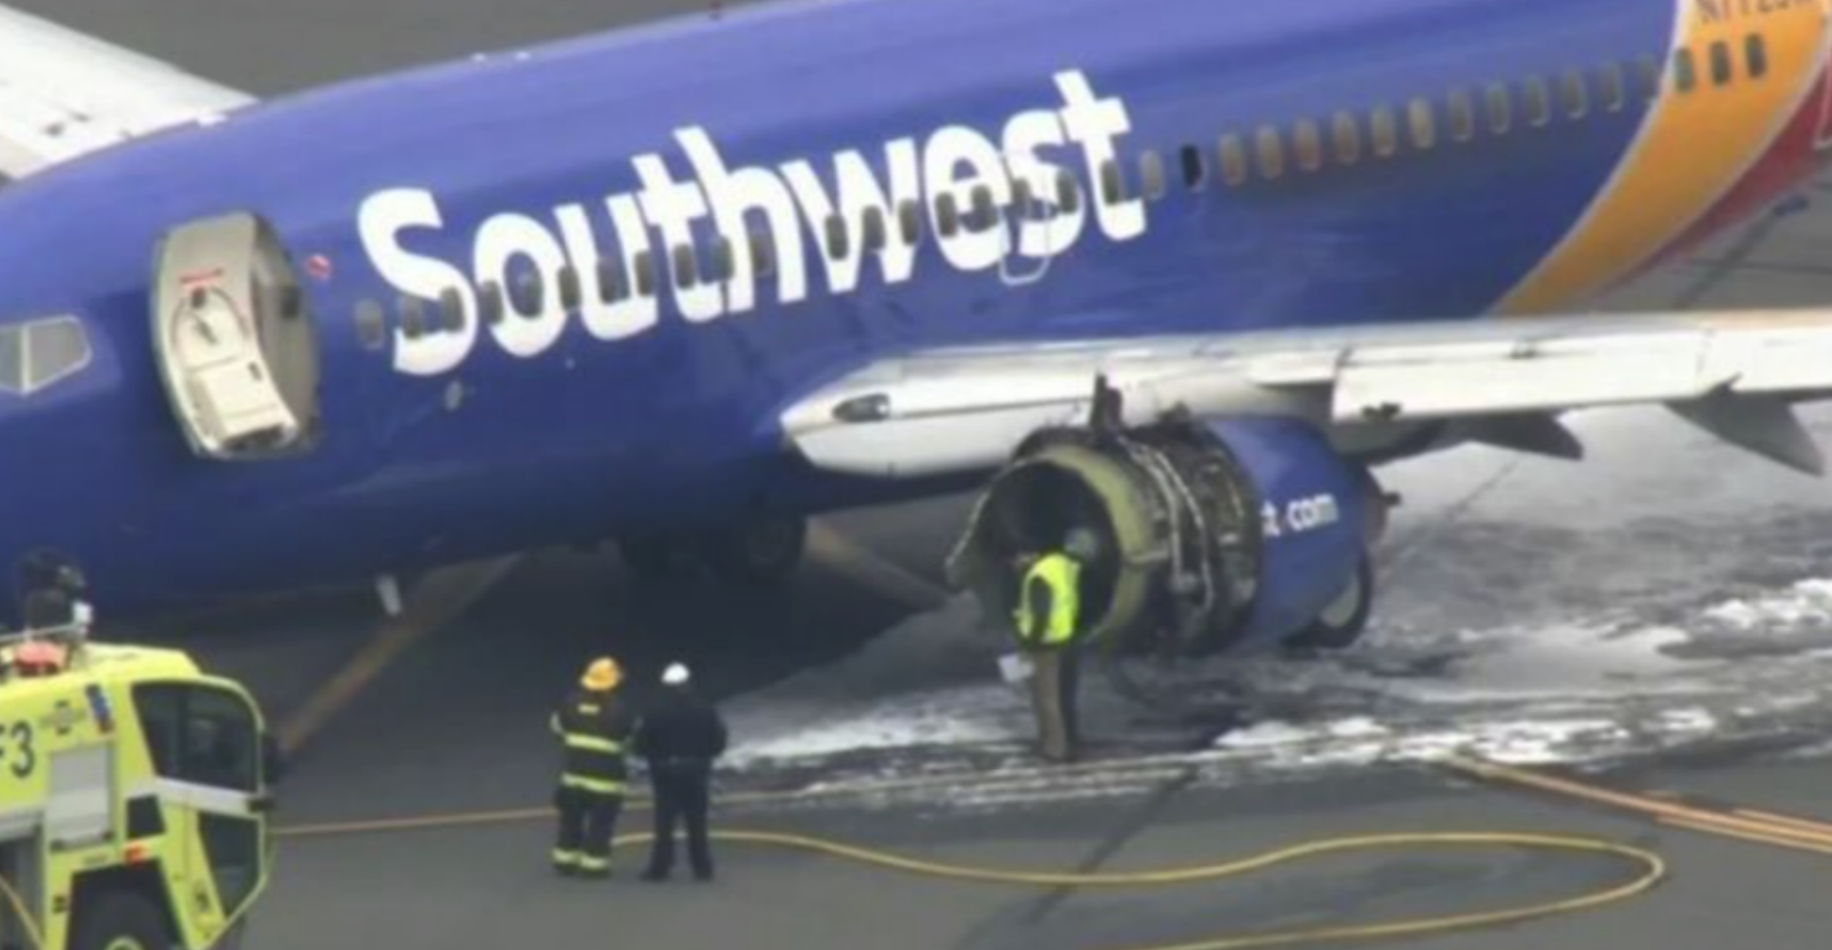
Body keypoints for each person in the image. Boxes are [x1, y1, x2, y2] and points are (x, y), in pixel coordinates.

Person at [634, 662, 728, 882]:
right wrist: (702, 757)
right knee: (697, 822)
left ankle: (660, 868)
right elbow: (718, 742)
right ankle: (702, 868)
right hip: (696, 772)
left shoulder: (655, 712)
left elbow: (640, 745)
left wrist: (655, 758)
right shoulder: (705, 710)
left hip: (665, 773)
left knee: (664, 823)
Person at [1013, 529, 1096, 762]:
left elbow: (1041, 614)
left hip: (1043, 646)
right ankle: (1068, 741)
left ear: (1031, 554)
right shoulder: (1061, 566)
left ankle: (1054, 748)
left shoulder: (1039, 575)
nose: (1015, 563)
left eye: (1018, 557)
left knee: (1045, 698)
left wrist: (1030, 645)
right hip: (1066, 640)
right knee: (1063, 695)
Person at [550, 656, 636, 879]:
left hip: (574, 777)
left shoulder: (570, 703)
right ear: (612, 683)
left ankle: (565, 862)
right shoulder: (620, 709)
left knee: (570, 822)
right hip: (606, 782)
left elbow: (556, 727)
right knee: (600, 826)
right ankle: (593, 867)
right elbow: (630, 740)